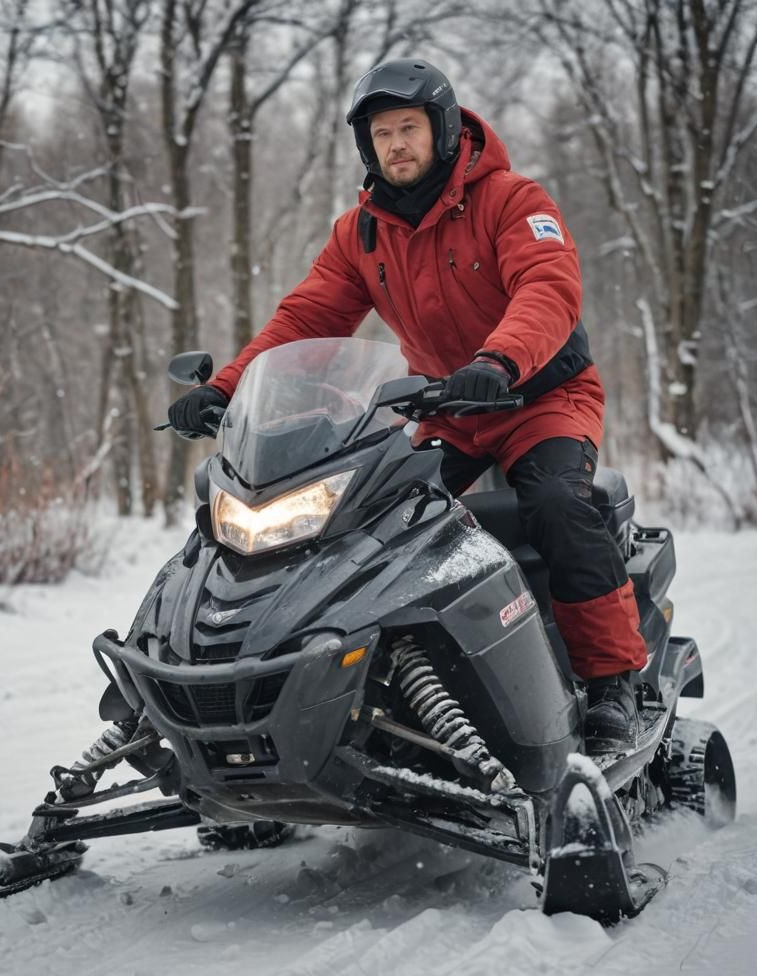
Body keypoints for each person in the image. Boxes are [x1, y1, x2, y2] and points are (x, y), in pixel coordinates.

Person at [168, 58, 647, 752]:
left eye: (409, 129)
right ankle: (342, 697)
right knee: (357, 516)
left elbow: (547, 288)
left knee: (556, 505)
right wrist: (227, 386)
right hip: (444, 408)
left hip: (538, 395)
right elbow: (306, 318)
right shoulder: (362, 230)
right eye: (382, 134)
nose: (396, 145)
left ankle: (610, 685)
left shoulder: (514, 200)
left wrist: (500, 359)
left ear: (444, 130)